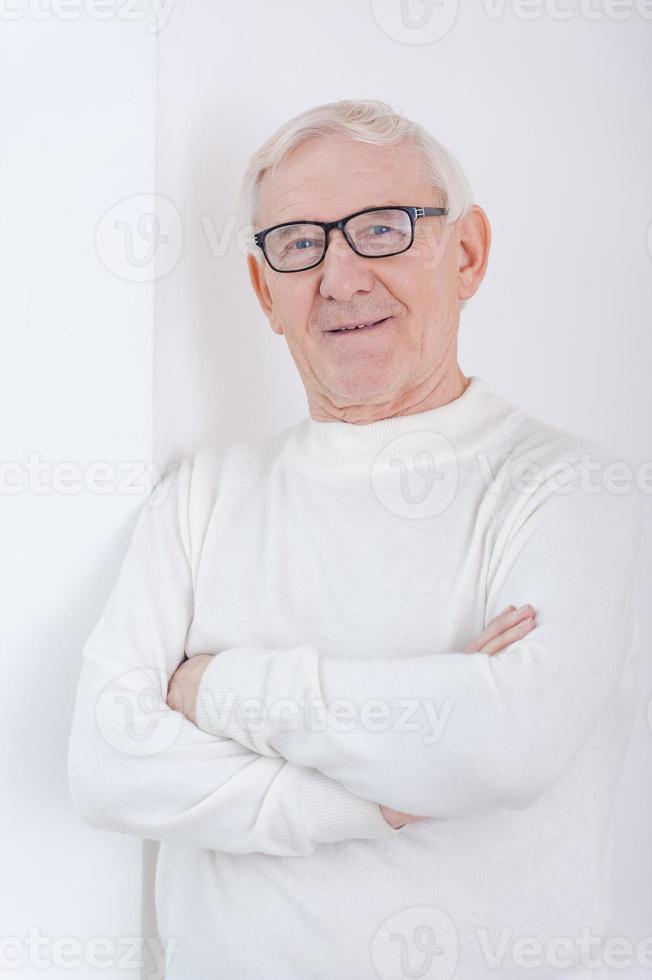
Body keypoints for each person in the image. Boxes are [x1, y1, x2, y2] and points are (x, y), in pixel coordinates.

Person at [67, 99, 643, 979]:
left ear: (468, 253)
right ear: (265, 291)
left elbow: (506, 743)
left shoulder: (567, 488)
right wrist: (376, 795)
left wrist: (216, 687)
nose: (339, 277)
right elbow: (108, 765)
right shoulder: (203, 497)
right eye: (299, 243)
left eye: (382, 229)